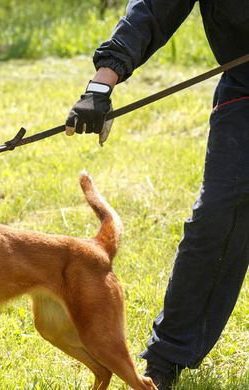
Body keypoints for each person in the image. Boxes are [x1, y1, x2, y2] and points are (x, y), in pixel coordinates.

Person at [65, 0, 249, 388]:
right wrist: (101, 85)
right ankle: (166, 359)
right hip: (245, 92)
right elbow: (150, 10)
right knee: (216, 217)